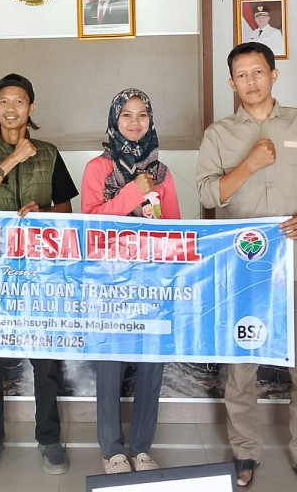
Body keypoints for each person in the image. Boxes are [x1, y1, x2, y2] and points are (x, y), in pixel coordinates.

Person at [196, 42, 297, 492]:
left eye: (258, 72)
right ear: (231, 83)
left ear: (274, 75)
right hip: (244, 270)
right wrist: (250, 164)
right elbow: (207, 194)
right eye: (241, 75)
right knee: (242, 367)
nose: (250, 81)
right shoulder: (219, 133)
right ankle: (245, 451)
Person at [0, 72, 78, 476]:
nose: (11, 108)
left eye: (19, 101)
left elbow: (66, 211)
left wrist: (43, 214)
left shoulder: (50, 153)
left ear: (31, 107)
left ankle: (49, 438)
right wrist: (13, 157)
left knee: (45, 365)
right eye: (4, 102)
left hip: (40, 275)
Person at [81, 89, 180, 475]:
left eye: (142, 115)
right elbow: (92, 222)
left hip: (152, 281)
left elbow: (174, 228)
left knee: (152, 364)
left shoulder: (163, 173)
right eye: (126, 115)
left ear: (151, 121)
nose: (135, 122)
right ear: (114, 121)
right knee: (110, 364)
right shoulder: (97, 169)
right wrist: (132, 192)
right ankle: (112, 450)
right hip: (109, 280)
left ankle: (141, 448)